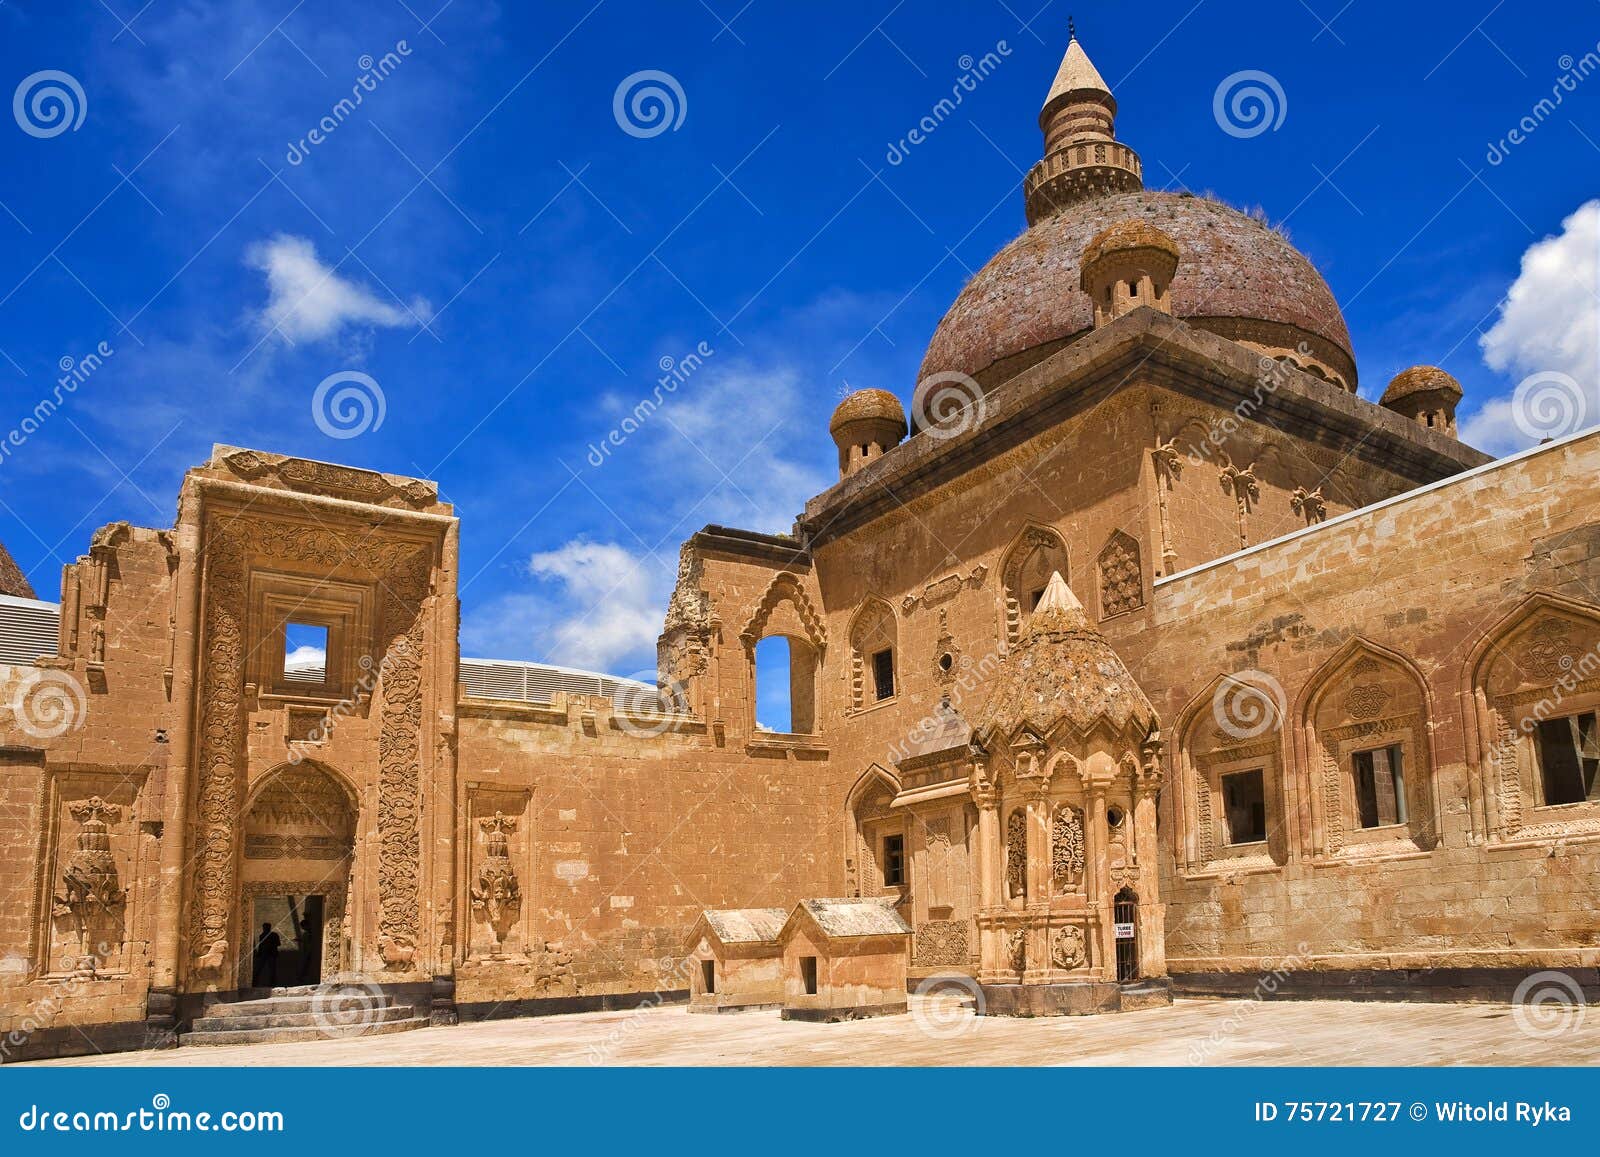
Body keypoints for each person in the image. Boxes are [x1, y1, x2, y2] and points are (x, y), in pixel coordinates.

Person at [252, 922, 281, 989]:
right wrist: (259, 953)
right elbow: (261, 945)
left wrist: (269, 946)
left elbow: (278, 943)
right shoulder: (263, 935)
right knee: (260, 968)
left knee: (271, 969)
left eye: (266, 927)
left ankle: (272, 983)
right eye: (264, 927)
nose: (265, 928)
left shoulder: (272, 935)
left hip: (270, 954)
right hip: (265, 954)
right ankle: (255, 982)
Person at [296, 914, 321, 984]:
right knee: (305, 964)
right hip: (307, 951)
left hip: (309, 951)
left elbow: (310, 942)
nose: (302, 928)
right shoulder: (307, 933)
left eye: (303, 927)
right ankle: (302, 977)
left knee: (305, 964)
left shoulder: (311, 933)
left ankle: (302, 977)